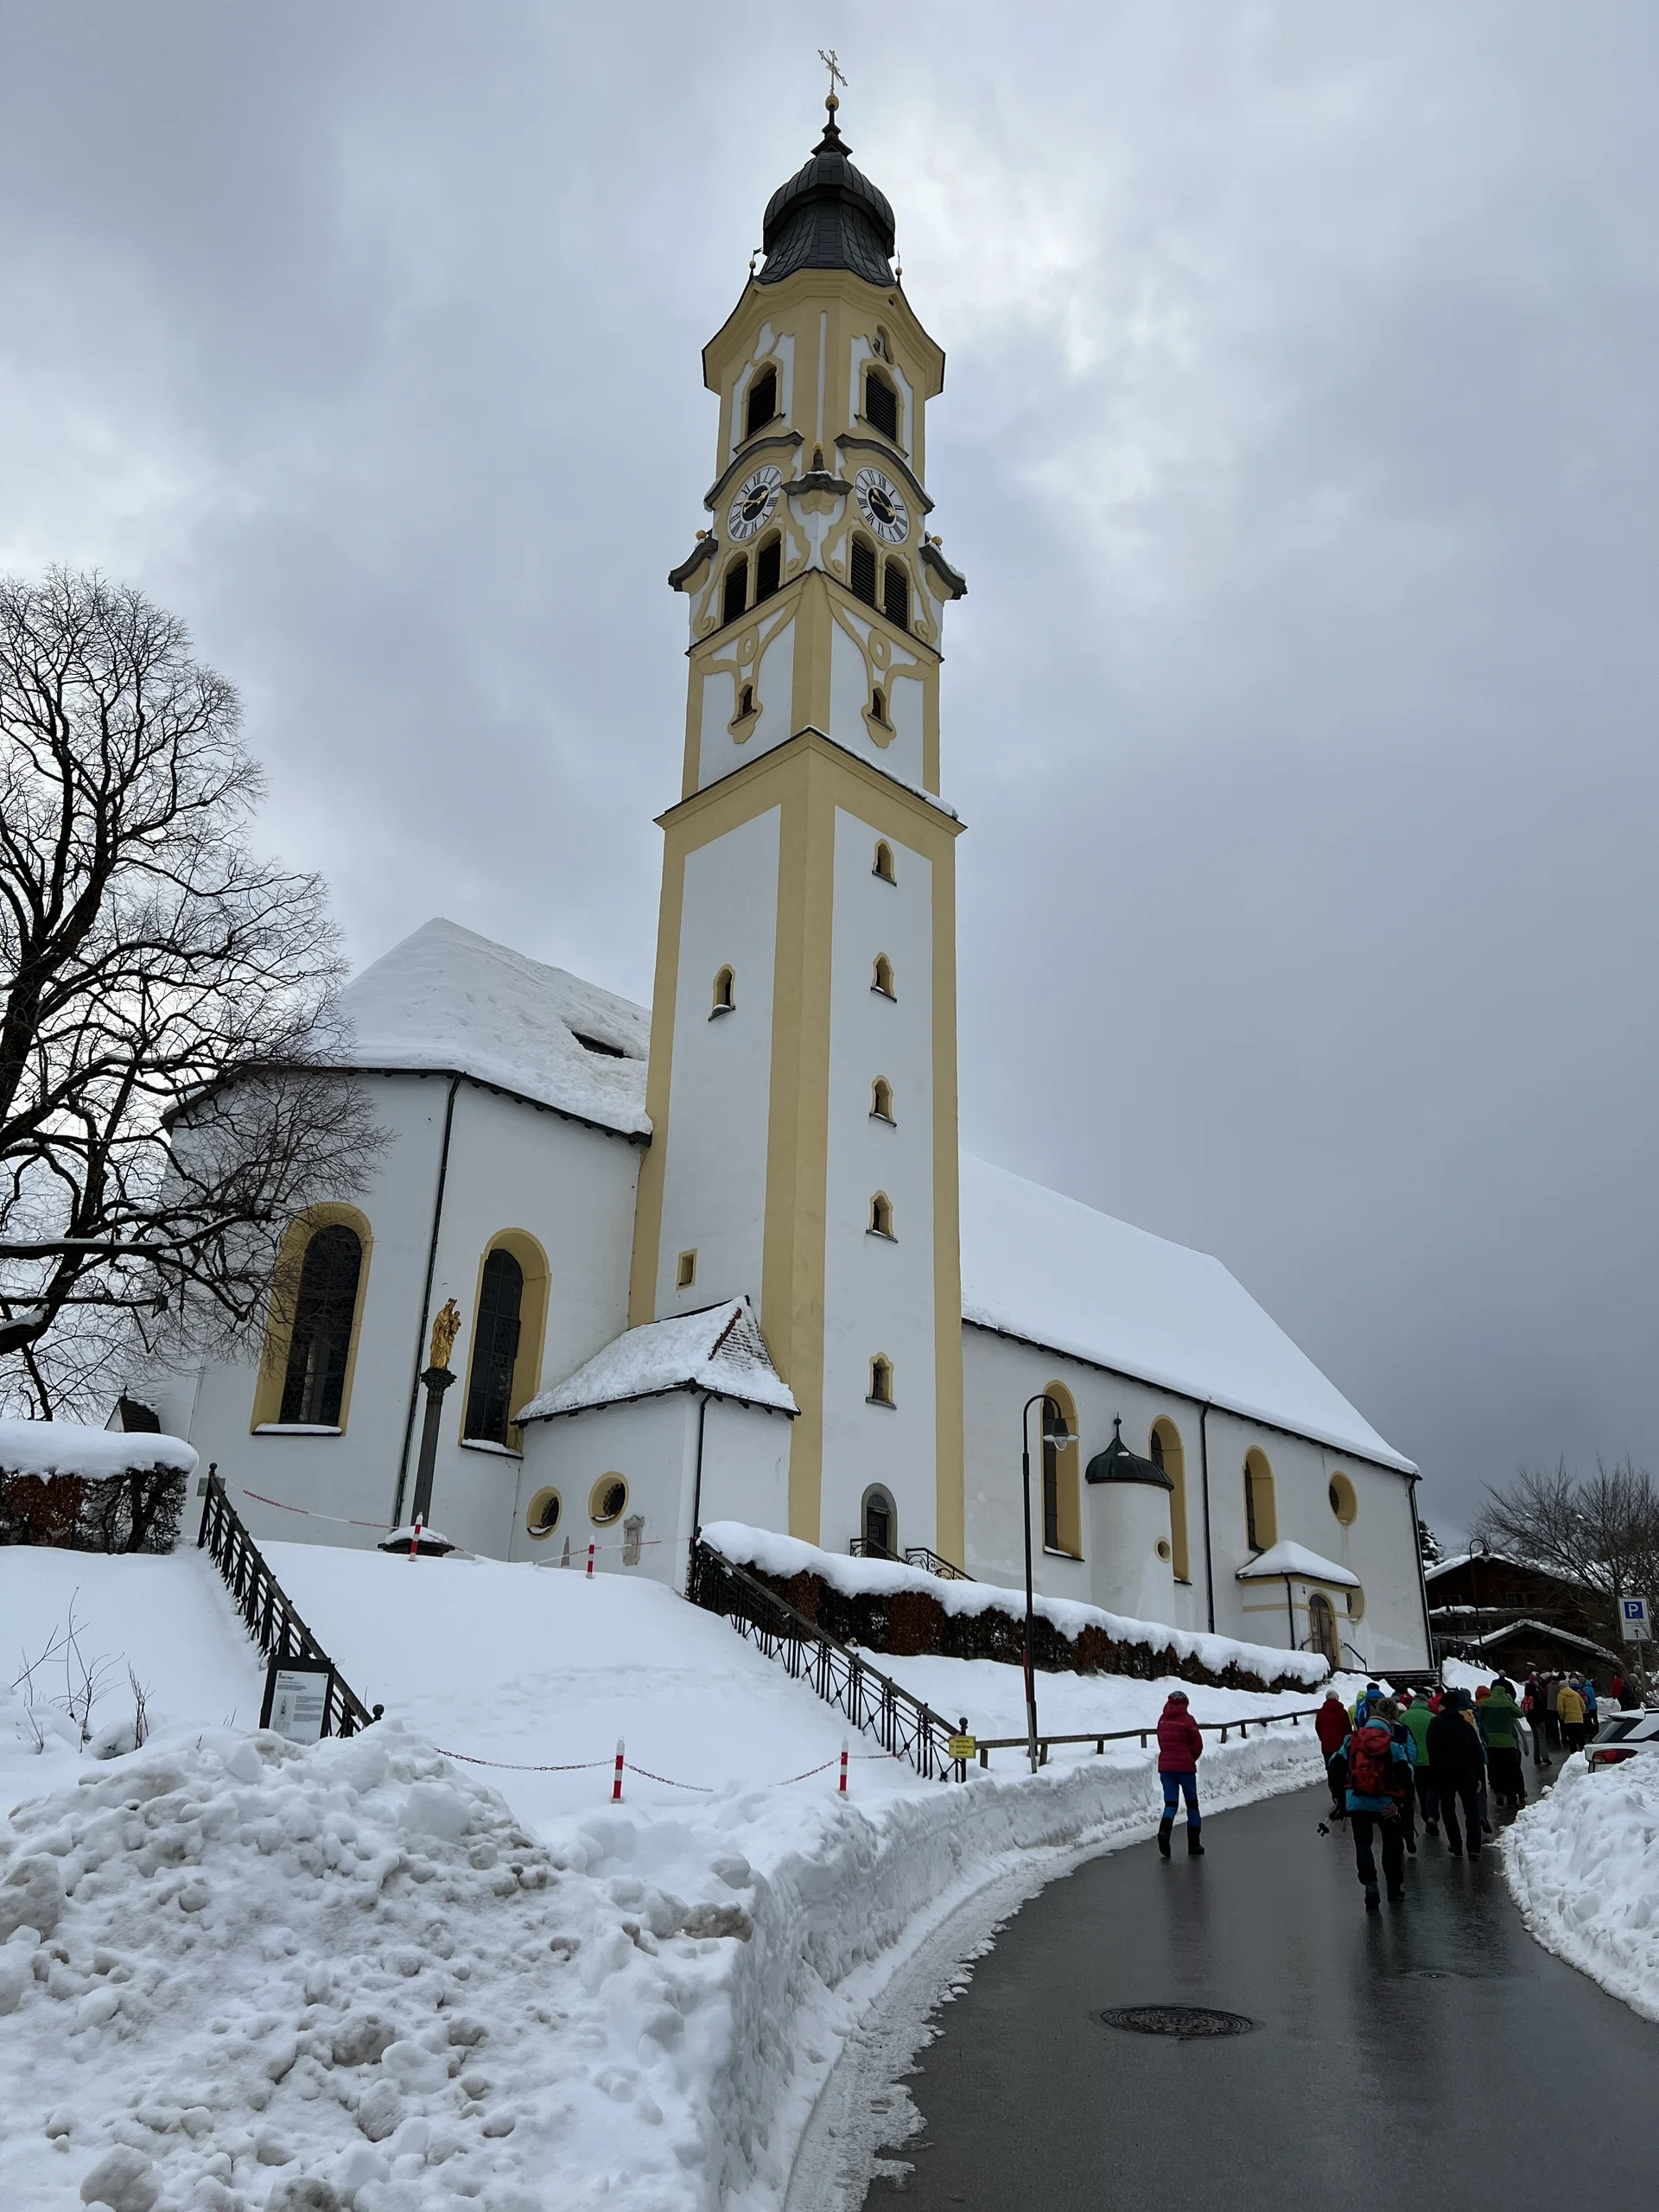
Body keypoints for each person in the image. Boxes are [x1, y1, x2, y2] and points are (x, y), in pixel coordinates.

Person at [1341, 1694, 1413, 1908]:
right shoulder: (1393, 1746)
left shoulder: (1351, 1741)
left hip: (1357, 1802)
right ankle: (1393, 1887)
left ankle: (1370, 1883)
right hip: (1385, 1804)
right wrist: (1398, 1803)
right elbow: (1406, 1775)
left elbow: (1335, 1766)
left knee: (1363, 1845)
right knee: (1392, 1845)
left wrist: (1342, 1797)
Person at [1427, 1688, 1487, 1859]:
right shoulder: (1466, 1727)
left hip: (1444, 1774)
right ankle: (1474, 1847)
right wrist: (1478, 1777)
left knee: (1448, 1810)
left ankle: (1456, 1845)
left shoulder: (1435, 1724)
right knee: (1471, 1810)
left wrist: (1435, 1772)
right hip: (1466, 1774)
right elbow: (1477, 1753)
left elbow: (1431, 1748)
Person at [1155, 1688, 1205, 1858]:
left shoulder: (1162, 1721)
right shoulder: (1188, 1721)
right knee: (1192, 1805)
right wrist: (1190, 1758)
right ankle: (1194, 1844)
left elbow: (1162, 1743)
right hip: (1185, 1768)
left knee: (1171, 1804)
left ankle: (1164, 1832)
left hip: (1166, 1768)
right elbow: (1198, 1745)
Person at [1478, 1677, 1527, 1813]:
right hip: (1507, 1742)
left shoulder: (1485, 1704)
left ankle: (1499, 1792)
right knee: (1510, 1771)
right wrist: (1510, 1702)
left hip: (1491, 1742)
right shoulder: (1507, 1703)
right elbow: (1520, 1713)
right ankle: (1512, 1800)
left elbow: (1479, 1718)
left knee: (1495, 1769)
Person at [1402, 1690, 1438, 1834]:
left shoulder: (1404, 1717)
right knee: (1433, 1789)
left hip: (1414, 1761)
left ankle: (1425, 1814)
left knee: (1421, 1790)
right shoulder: (1432, 1717)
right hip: (1432, 1760)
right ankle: (1432, 1815)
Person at [1316, 1690, 1351, 1821]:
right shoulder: (1343, 1712)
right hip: (1341, 1748)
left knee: (1330, 1771)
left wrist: (1323, 1739)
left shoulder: (1320, 1713)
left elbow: (1318, 1728)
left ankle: (1335, 1795)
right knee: (1343, 1772)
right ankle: (1344, 1798)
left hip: (1327, 1747)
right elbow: (1347, 1730)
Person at [1522, 1673, 1552, 1770]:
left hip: (1530, 1719)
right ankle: (1545, 1757)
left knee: (1536, 1737)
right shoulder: (1536, 1693)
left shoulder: (1527, 1692)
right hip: (1539, 1718)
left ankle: (1536, 1757)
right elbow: (1541, 1706)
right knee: (1542, 1737)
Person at [1557, 1675, 1586, 1754]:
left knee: (1572, 1739)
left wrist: (1562, 1717)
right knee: (1580, 1738)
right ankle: (1584, 1753)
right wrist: (1581, 1713)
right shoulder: (1576, 1694)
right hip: (1579, 1718)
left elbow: (1560, 1709)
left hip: (1569, 1719)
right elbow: (1583, 1706)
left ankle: (1573, 1755)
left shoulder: (1561, 1695)